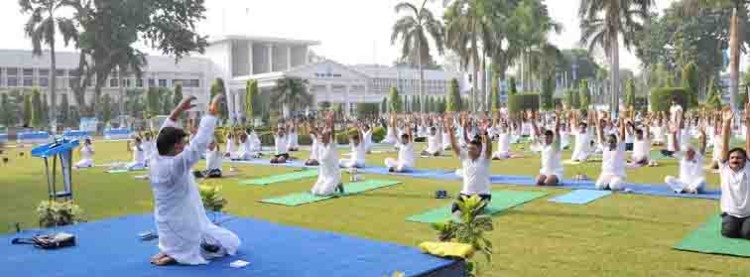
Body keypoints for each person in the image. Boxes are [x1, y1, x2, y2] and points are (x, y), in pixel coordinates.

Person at [148, 95, 240, 266]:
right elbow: (199, 144)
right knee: (232, 243)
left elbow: (164, 132)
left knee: (181, 233)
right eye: (183, 143)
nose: (185, 146)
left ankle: (170, 251)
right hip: (184, 224)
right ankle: (177, 255)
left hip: (165, 222)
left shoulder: (156, 157)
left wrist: (178, 110)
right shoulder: (175, 165)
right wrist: (211, 112)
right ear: (176, 146)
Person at [446, 113, 492, 216]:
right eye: (469, 148)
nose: (470, 151)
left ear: (479, 150)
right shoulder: (465, 157)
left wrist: (485, 133)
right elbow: (454, 146)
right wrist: (450, 131)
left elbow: (489, 147)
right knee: (454, 210)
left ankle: (477, 208)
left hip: (482, 195)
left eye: (473, 149)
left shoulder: (484, 159)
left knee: (472, 212)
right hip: (466, 193)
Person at [717, 105, 750, 239]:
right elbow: (725, 145)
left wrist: (748, 122)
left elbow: (749, 145)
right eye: (732, 158)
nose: (735, 159)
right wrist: (726, 123)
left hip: (748, 213)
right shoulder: (725, 169)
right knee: (729, 233)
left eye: (738, 158)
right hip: (731, 213)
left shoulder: (748, 167)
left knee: (748, 234)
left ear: (745, 160)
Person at [665, 123, 707, 194]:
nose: (688, 153)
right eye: (687, 151)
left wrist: (703, 133)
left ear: (694, 152)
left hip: (696, 183)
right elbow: (675, 147)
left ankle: (685, 189)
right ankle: (687, 189)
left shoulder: (698, 157)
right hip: (683, 183)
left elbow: (703, 145)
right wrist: (674, 134)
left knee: (702, 180)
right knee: (667, 178)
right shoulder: (683, 157)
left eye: (691, 151)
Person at [311, 112, 344, 195]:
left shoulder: (331, 145)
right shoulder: (320, 143)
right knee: (315, 192)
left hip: (333, 176)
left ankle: (338, 182)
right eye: (321, 135)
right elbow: (314, 131)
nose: (321, 136)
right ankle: (338, 183)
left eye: (324, 135)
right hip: (323, 176)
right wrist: (311, 121)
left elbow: (333, 132)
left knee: (324, 192)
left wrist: (331, 121)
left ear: (328, 137)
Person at [595, 110, 627, 191]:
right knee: (598, 186)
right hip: (605, 174)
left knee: (614, 186)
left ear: (615, 142)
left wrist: (622, 120)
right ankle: (608, 184)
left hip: (617, 174)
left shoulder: (619, 148)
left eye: (612, 142)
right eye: (609, 142)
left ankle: (619, 183)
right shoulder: (605, 147)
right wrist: (600, 124)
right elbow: (601, 135)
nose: (610, 143)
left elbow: (623, 136)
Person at [533, 111, 563, 186]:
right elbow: (537, 132)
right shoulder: (543, 145)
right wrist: (532, 120)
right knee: (538, 182)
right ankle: (547, 178)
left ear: (552, 137)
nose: (547, 138)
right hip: (545, 171)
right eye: (546, 136)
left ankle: (557, 179)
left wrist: (558, 117)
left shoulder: (555, 145)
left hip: (556, 172)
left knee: (547, 183)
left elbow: (556, 130)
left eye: (549, 136)